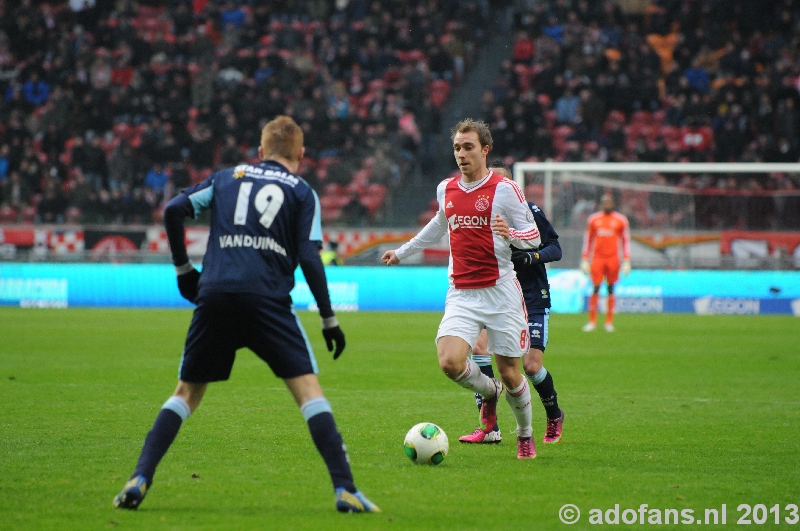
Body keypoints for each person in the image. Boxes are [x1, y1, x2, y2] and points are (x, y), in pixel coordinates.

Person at [113, 116, 379, 513]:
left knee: (186, 393)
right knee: (308, 391)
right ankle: (344, 488)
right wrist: (328, 318)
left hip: (215, 295)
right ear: (301, 155)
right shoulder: (303, 192)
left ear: (260, 151)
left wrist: (186, 271)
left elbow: (173, 210)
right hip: (267, 300)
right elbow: (309, 255)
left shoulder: (224, 178)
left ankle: (140, 477)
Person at [381, 119, 543, 459]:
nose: (461, 153)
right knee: (450, 362)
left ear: (485, 150)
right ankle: (489, 392)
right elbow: (437, 225)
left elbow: (535, 236)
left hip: (500, 292)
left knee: (512, 372)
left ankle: (525, 434)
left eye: (468, 147)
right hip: (462, 293)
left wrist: (510, 234)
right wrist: (402, 252)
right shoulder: (446, 189)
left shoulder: (505, 190)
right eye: (457, 147)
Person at [459, 161, 564, 447]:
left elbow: (555, 246)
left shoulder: (529, 212)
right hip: (495, 295)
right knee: (479, 348)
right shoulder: (481, 214)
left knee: (530, 367)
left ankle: (554, 413)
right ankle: (489, 427)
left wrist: (532, 257)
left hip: (531, 297)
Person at [580, 193, 631, 332]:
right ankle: (592, 321)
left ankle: (609, 321)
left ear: (613, 204)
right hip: (597, 258)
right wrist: (584, 258)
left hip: (613, 258)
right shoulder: (594, 219)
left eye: (609, 203)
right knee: (595, 287)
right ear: (602, 204)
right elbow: (588, 239)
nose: (607, 205)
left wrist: (626, 259)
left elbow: (626, 240)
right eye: (605, 203)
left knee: (611, 288)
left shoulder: (621, 220)